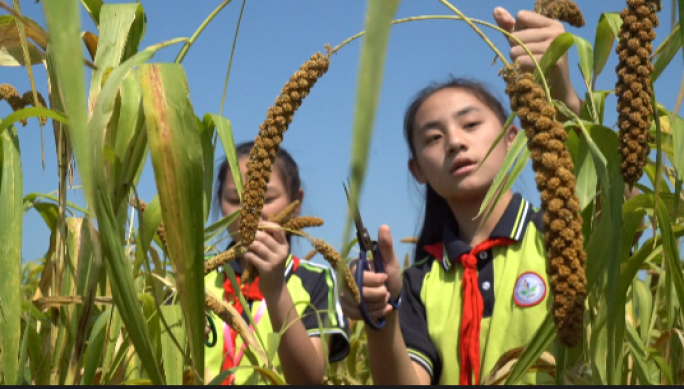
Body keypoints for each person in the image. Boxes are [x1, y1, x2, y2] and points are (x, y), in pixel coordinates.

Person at [339, 7, 591, 385]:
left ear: (513, 138)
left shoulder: (560, 233)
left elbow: (622, 214)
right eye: (433, 138)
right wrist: (383, 314)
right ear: (417, 170)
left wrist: (562, 94)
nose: (455, 142)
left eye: (471, 124)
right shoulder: (419, 282)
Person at [204, 141, 349, 385]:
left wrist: (275, 290)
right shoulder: (197, 275)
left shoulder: (315, 280)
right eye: (235, 199)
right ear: (219, 200)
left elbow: (307, 380)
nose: (250, 212)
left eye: (266, 198)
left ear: (296, 202)